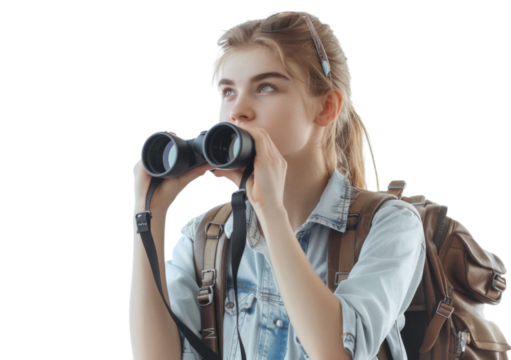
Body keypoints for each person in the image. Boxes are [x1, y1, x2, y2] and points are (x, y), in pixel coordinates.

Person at [130, 9, 425, 360]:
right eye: (228, 92)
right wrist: (150, 215)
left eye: (265, 87)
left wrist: (270, 211)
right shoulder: (205, 235)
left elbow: (336, 353)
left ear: (326, 107)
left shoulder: (391, 226)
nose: (238, 111)